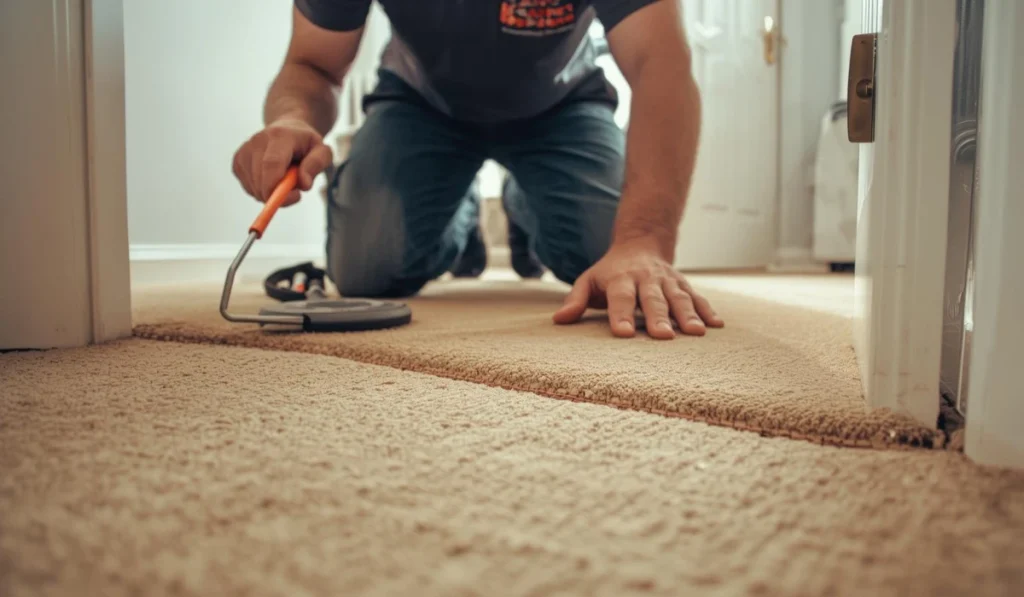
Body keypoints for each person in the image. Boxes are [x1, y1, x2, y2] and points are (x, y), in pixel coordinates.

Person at [232, 0, 725, 340]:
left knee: (612, 259)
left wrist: (643, 239)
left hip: (562, 106)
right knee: (367, 271)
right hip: (421, 105)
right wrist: (291, 119)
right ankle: (458, 219)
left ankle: (524, 205)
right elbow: (313, 64)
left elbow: (661, 61)